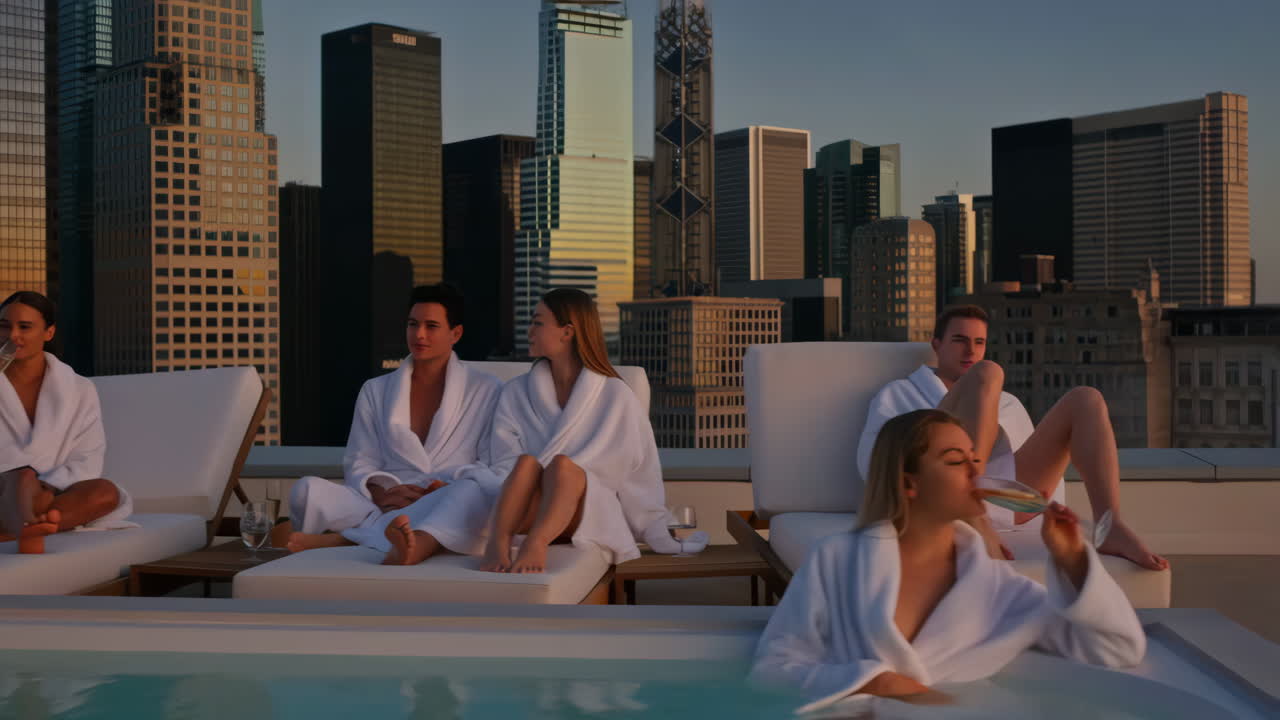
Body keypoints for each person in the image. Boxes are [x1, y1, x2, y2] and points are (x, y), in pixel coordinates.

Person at [753, 409, 1146, 713]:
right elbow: (772, 670)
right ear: (908, 481)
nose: (978, 471)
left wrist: (1072, 557)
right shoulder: (838, 560)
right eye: (957, 461)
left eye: (976, 457)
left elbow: (1118, 648)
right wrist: (880, 683)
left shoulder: (997, 588)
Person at [382, 288, 706, 571]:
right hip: (525, 501)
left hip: (584, 507)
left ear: (567, 332)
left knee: (563, 467)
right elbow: (503, 462)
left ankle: (535, 543)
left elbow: (635, 470)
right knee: (521, 466)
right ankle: (420, 547)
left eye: (538, 323)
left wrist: (651, 525)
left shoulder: (615, 395)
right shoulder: (516, 392)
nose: (530, 330)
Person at [856, 305, 1167, 571]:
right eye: (960, 340)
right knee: (988, 372)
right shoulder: (899, 393)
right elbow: (874, 465)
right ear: (936, 344)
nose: (970, 351)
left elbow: (1029, 472)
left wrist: (1049, 512)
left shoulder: (1007, 402)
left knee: (1087, 398)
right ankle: (974, 516)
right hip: (936, 496)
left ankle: (1110, 526)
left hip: (1002, 502)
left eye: (979, 342)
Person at [284, 284, 502, 556]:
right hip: (385, 503)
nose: (419, 334)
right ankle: (389, 530)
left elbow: (490, 463)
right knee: (306, 490)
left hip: (446, 498)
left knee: (470, 494)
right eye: (413, 324)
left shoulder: (486, 389)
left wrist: (436, 490)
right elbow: (360, 461)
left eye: (431, 326)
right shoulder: (375, 390)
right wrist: (384, 494)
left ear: (455, 333)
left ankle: (347, 539)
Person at [0, 291, 133, 554]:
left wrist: (46, 486)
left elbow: (88, 456)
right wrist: (20, 481)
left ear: (48, 333)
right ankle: (28, 522)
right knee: (22, 478)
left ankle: (24, 525)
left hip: (51, 491)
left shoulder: (79, 389)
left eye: (24, 327)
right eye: (4, 326)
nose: (13, 335)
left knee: (106, 492)